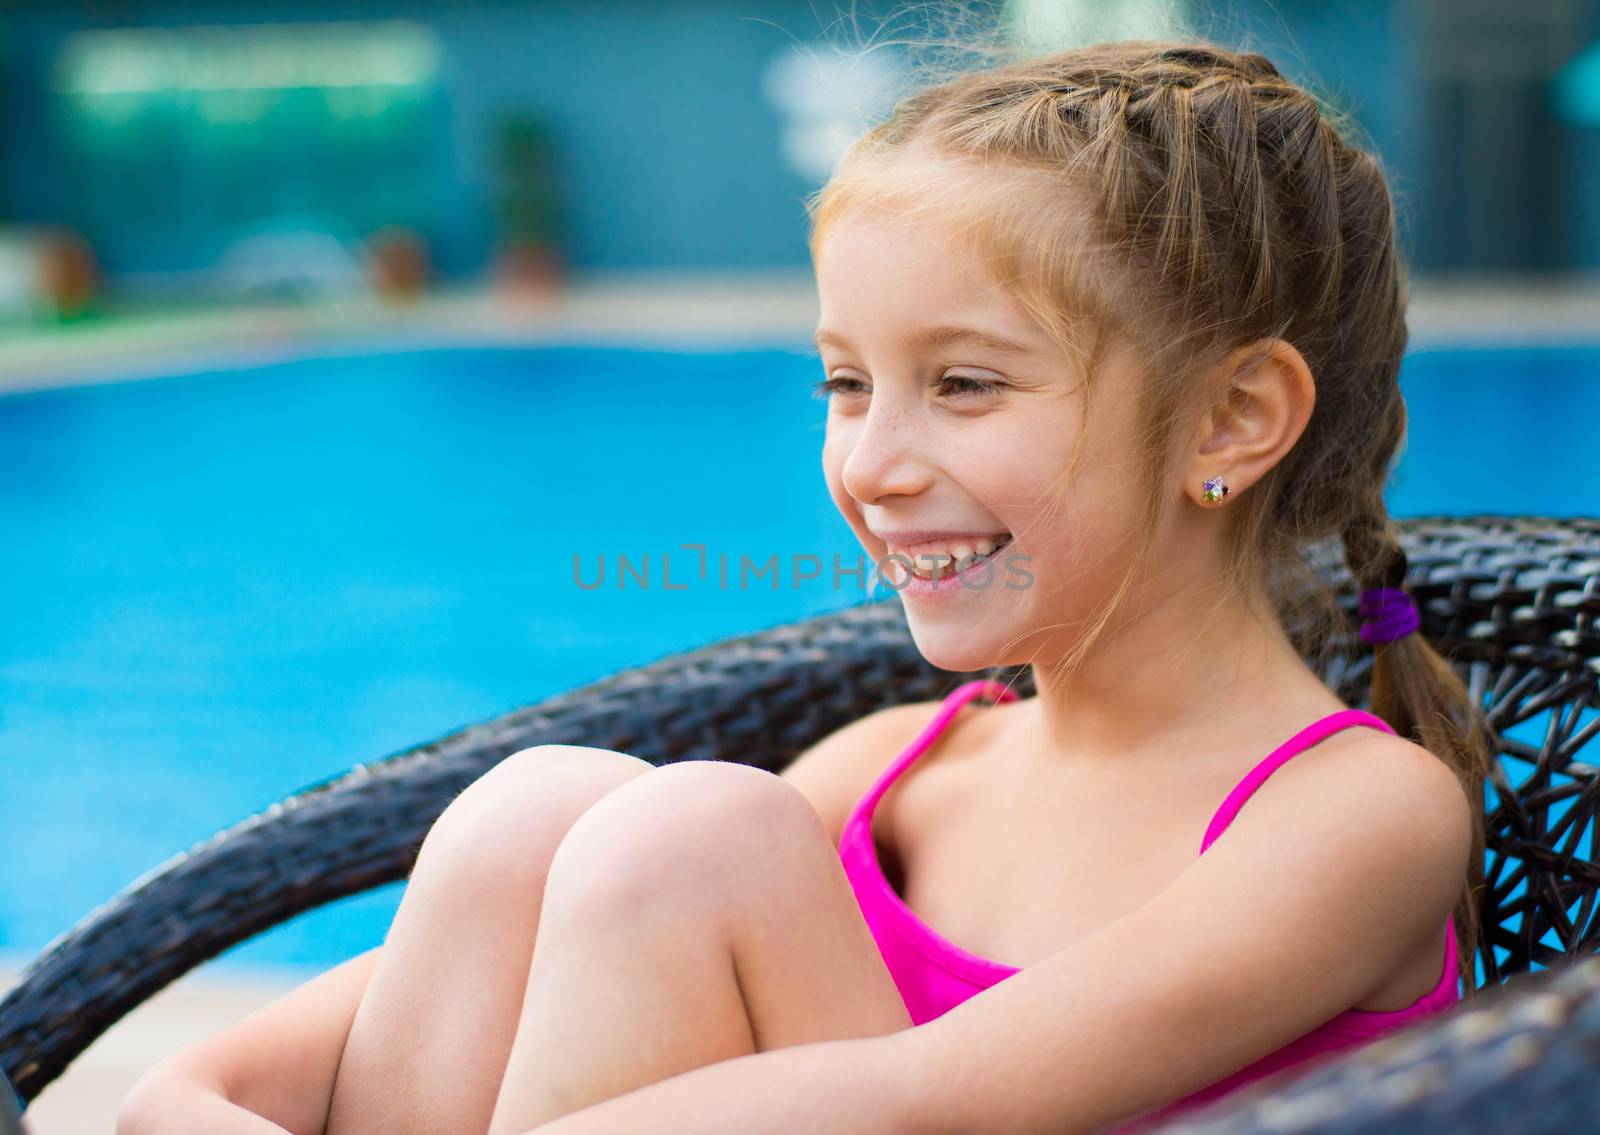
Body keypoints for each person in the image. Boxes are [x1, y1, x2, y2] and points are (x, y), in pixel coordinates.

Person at [117, 36, 1492, 1135]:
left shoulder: (1355, 817)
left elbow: (926, 1104)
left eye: (964, 383)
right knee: (550, 805)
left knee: (696, 827)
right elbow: (240, 1077)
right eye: (846, 383)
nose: (872, 465)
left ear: (1233, 419)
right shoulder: (897, 772)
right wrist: (195, 1096)